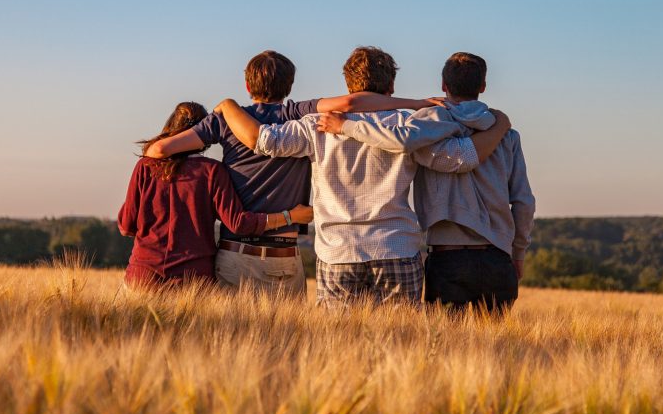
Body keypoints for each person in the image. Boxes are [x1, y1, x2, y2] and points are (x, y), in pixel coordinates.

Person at [215, 47, 511, 306]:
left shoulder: (316, 125)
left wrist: (227, 106)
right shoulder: (407, 126)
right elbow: (460, 159)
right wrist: (499, 125)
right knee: (401, 347)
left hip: (338, 251)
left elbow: (263, 141)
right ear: (392, 85)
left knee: (337, 348)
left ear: (348, 84)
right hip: (396, 247)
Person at [143, 50, 442, 296]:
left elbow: (158, 152)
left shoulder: (225, 121)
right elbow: (353, 102)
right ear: (289, 86)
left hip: (236, 253)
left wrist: (219, 125)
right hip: (286, 257)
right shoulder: (297, 113)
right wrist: (416, 103)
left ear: (248, 86)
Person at [317, 52, 535, 314]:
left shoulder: (423, 128)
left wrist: (345, 126)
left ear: (444, 85)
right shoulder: (507, 135)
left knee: (446, 350)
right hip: (498, 257)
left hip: (447, 257)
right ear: (483, 86)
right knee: (496, 350)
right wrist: (518, 253)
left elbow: (400, 140)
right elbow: (523, 202)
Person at [117, 101, 313, 289]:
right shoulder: (212, 171)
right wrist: (290, 216)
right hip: (193, 280)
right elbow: (238, 223)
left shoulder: (145, 166)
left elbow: (126, 226)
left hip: (142, 276)